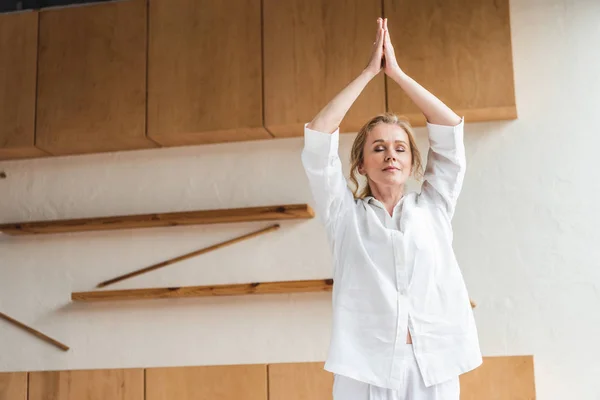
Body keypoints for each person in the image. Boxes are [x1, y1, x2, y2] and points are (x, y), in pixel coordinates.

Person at [300, 18, 482, 399]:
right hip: (364, 367)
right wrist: (369, 73)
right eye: (378, 147)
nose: (390, 155)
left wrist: (396, 74)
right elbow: (318, 137)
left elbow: (449, 130)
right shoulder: (344, 217)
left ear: (412, 163)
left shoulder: (434, 207)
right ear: (361, 165)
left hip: (433, 365)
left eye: (400, 148)